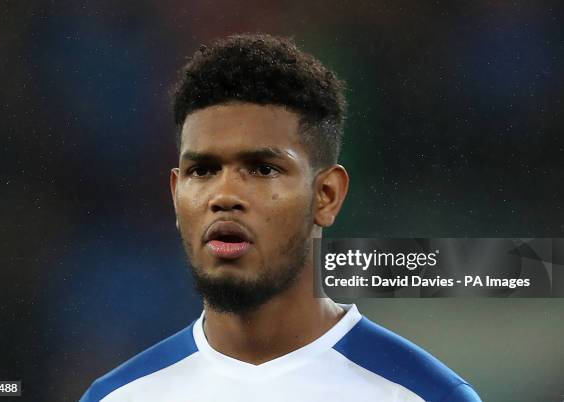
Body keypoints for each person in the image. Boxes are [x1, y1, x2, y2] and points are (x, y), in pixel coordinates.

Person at [80, 33, 482, 402]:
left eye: (262, 169)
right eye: (202, 171)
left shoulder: (426, 395)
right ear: (175, 193)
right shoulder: (117, 396)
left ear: (326, 196)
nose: (224, 196)